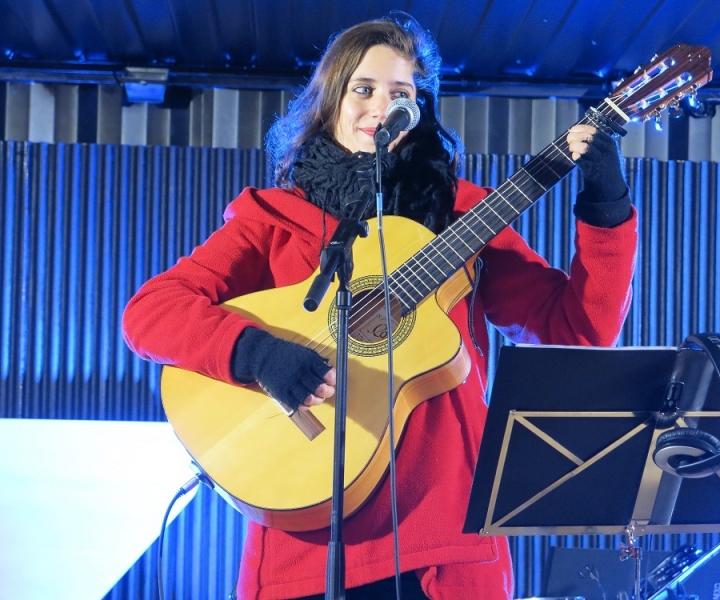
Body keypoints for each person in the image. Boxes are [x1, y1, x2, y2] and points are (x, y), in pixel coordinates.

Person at [122, 13, 638, 600]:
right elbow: (150, 311)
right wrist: (256, 353)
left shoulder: (463, 217)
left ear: (420, 110)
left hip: (444, 545)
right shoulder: (272, 219)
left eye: (400, 94)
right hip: (305, 549)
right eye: (363, 89)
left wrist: (607, 206)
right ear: (330, 103)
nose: (380, 107)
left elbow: (579, 331)